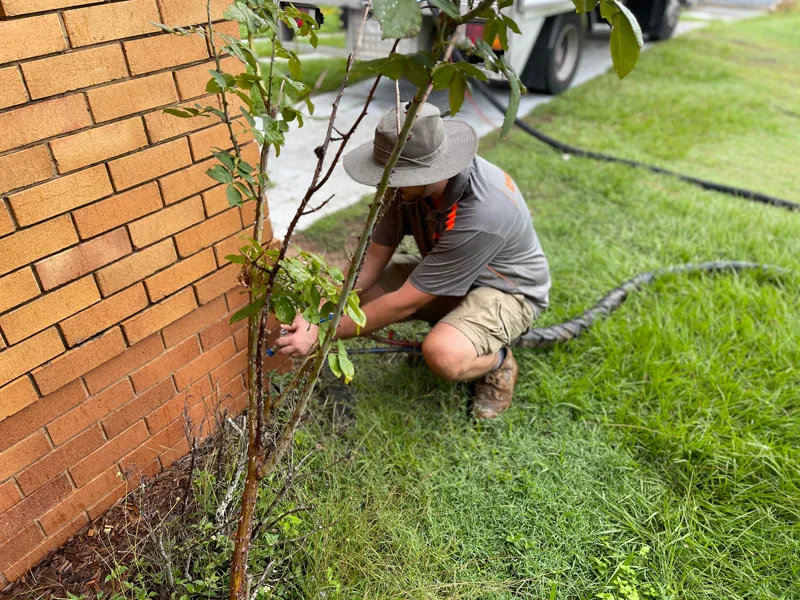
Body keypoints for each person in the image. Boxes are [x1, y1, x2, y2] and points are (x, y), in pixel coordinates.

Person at [274, 103, 550, 418]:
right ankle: (457, 329)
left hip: (508, 291)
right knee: (364, 300)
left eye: (397, 177)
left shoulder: (483, 211)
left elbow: (404, 303)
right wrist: (320, 312)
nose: (387, 185)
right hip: (449, 276)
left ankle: (499, 361)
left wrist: (322, 331)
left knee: (443, 353)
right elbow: (372, 258)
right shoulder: (405, 188)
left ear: (433, 171)